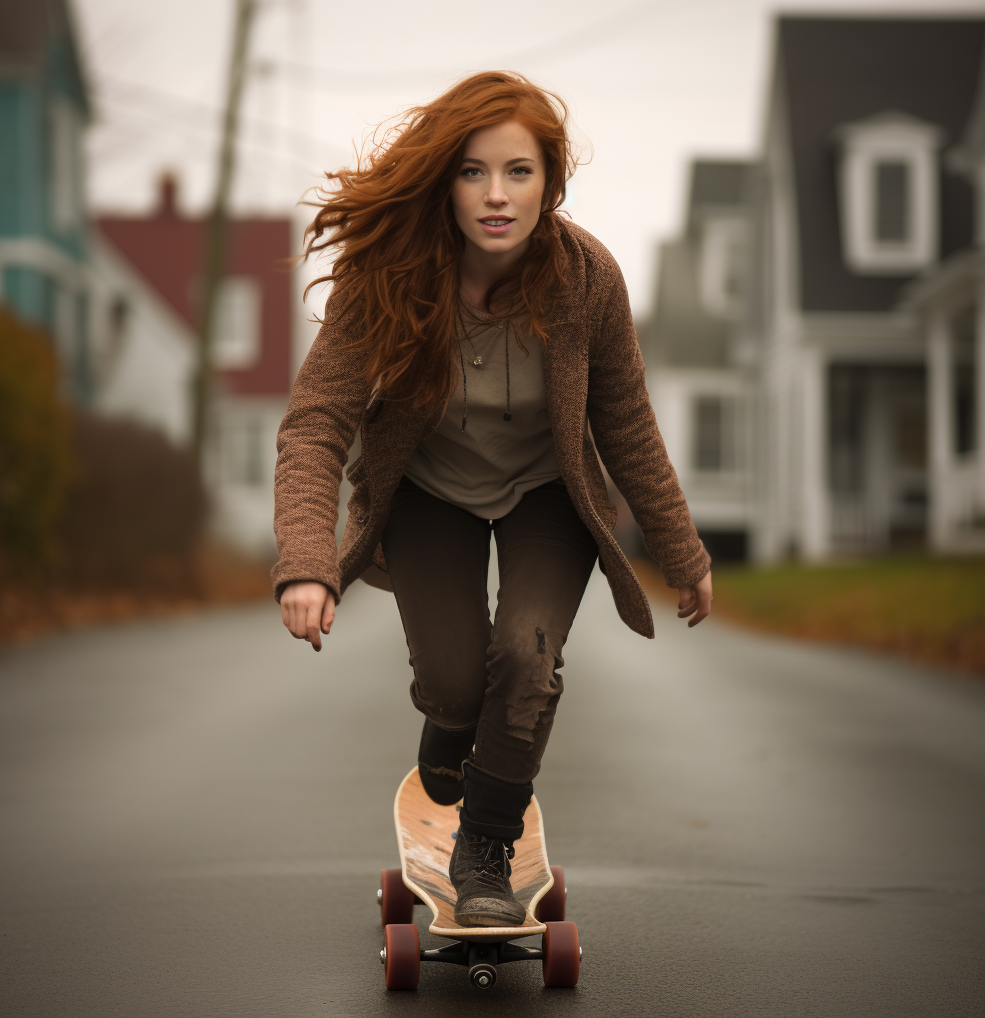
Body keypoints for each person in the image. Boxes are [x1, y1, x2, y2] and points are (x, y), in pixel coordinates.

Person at [273, 71, 712, 928]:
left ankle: (483, 850)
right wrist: (307, 563)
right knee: (454, 685)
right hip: (430, 492)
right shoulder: (389, 278)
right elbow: (315, 423)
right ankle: (448, 733)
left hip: (547, 494)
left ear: (551, 182)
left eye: (519, 172)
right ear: (445, 181)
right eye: (473, 172)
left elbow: (626, 423)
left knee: (525, 657)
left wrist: (683, 551)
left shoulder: (588, 280)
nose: (496, 195)